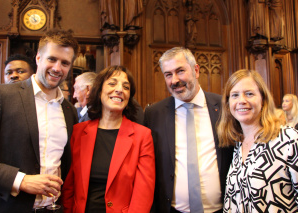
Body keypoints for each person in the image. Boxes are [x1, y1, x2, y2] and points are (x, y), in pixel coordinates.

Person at [0, 29, 79, 212]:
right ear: (38, 58)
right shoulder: (1, 95)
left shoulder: (69, 111)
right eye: (52, 59)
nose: (57, 68)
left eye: (64, 63)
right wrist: (20, 180)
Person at [144, 47, 233, 213]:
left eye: (180, 71)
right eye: (168, 74)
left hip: (222, 209)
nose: (174, 80)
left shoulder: (224, 107)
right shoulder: (154, 114)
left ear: (196, 70)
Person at [62, 65, 155, 213]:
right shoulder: (79, 132)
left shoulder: (142, 136)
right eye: (112, 83)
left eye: (126, 87)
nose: (119, 89)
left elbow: (143, 194)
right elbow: (69, 185)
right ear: (99, 92)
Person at [217, 69, 298, 212]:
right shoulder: (238, 145)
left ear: (263, 100)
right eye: (235, 95)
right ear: (228, 104)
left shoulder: (289, 139)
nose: (242, 100)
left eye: (249, 94)